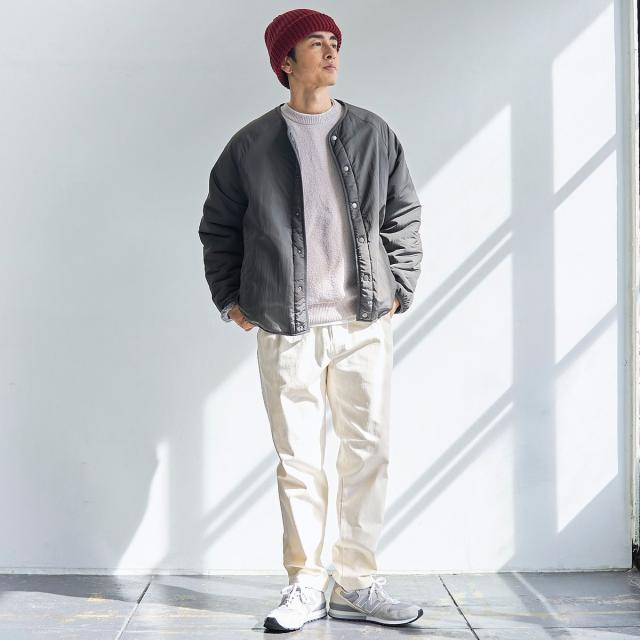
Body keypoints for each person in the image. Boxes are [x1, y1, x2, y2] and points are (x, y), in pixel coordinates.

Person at [198, 8, 424, 633]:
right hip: (285, 324)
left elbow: (403, 212)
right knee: (298, 460)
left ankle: (357, 581)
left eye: (334, 43)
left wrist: (400, 285)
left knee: (367, 452)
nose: (330, 53)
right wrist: (231, 299)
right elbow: (218, 227)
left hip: (362, 322)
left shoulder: (373, 133)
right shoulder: (250, 145)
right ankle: (305, 584)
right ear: (285, 62)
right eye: (315, 44)